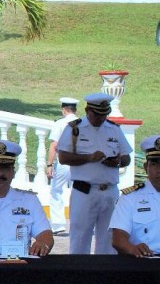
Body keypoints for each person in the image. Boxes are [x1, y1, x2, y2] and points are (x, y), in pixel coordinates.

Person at [56, 92, 132, 254]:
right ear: (87, 110)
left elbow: (126, 158)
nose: (101, 118)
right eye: (97, 115)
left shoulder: (114, 129)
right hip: (84, 190)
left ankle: (106, 275)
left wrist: (117, 161)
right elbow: (63, 157)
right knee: (80, 238)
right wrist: (89, 157)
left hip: (109, 191)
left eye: (104, 115)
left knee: (108, 239)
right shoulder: (75, 129)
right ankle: (80, 273)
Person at [45, 97, 79, 235]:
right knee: (78, 192)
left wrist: (49, 164)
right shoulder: (82, 123)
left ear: (64, 110)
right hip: (80, 162)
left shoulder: (60, 123)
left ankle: (58, 225)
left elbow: (54, 145)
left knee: (56, 191)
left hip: (64, 161)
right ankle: (78, 223)